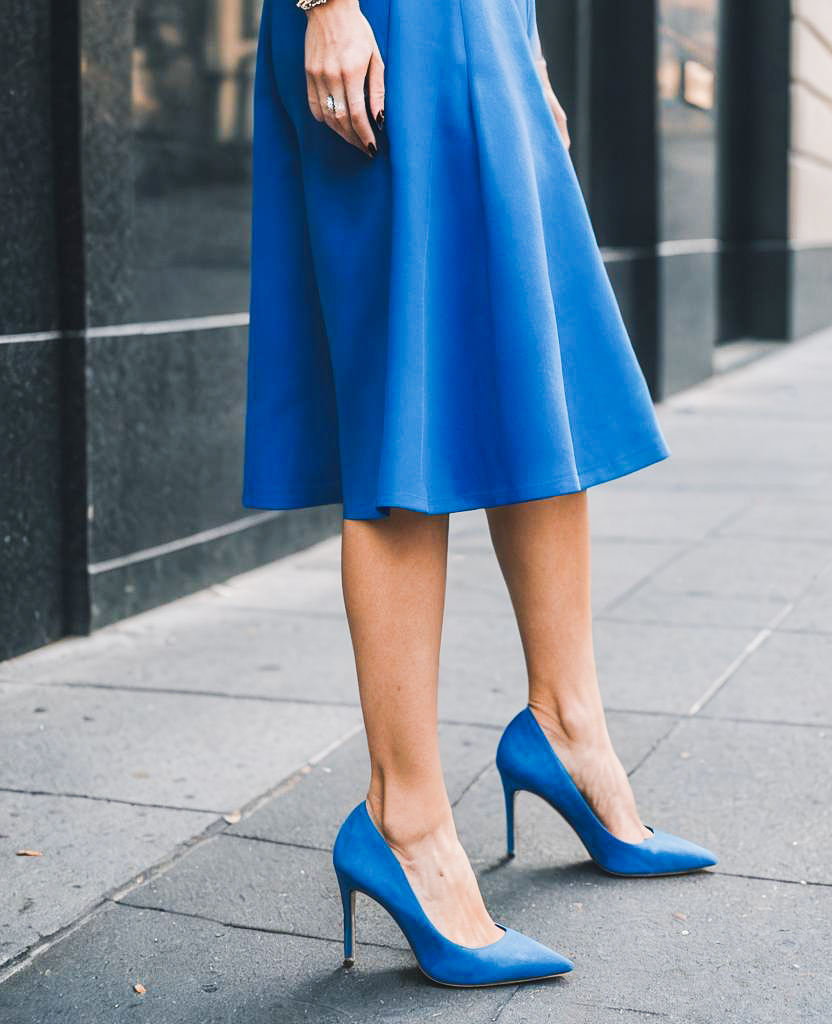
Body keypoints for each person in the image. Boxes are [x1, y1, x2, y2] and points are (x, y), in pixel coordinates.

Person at [240, 0, 717, 989]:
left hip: (486, 31)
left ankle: (568, 728)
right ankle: (402, 818)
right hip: (385, 25)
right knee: (405, 413)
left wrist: (525, 40)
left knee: (532, 388)